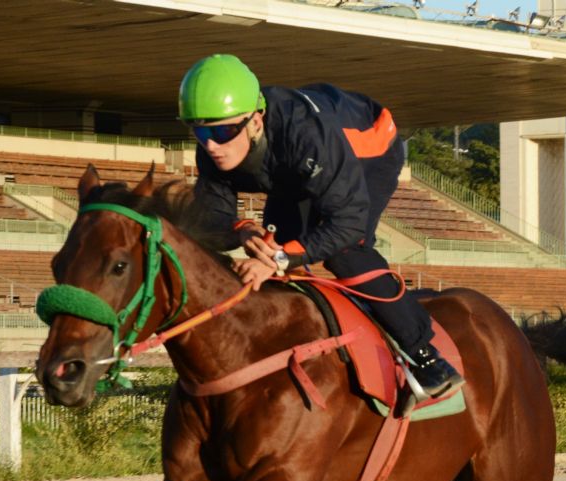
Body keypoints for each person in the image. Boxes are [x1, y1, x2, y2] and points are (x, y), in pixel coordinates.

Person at [178, 53, 463, 401]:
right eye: (200, 131)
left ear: (255, 120)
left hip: (366, 153)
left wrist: (278, 260)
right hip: (294, 166)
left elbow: (347, 223)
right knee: (275, 241)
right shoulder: (216, 144)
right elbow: (209, 221)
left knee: (346, 252)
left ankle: (425, 355)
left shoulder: (305, 134)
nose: (211, 145)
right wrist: (242, 229)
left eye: (223, 131)